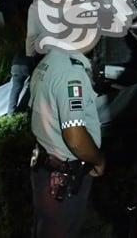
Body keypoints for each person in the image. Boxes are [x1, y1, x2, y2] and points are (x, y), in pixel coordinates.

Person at [28, 44, 104, 238]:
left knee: (46, 227)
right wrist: (98, 160)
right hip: (64, 176)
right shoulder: (71, 73)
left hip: (44, 167)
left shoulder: (47, 62)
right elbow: (75, 137)